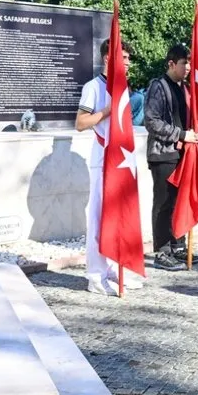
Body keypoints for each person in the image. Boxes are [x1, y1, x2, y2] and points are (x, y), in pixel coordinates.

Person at [76, 39, 144, 295]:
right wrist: (106, 110)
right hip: (102, 156)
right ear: (108, 57)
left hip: (122, 159)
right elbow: (81, 122)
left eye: (128, 58)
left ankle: (117, 266)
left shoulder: (123, 88)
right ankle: (96, 274)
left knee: (120, 213)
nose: (127, 62)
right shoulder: (93, 87)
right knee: (98, 216)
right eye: (123, 57)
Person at [144, 44, 198, 271]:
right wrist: (181, 134)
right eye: (183, 63)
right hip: (163, 154)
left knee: (180, 201)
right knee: (163, 203)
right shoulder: (158, 86)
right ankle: (161, 250)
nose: (188, 67)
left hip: (184, 153)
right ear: (171, 63)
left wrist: (197, 132)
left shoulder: (188, 89)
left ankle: (178, 246)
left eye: (189, 62)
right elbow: (152, 121)